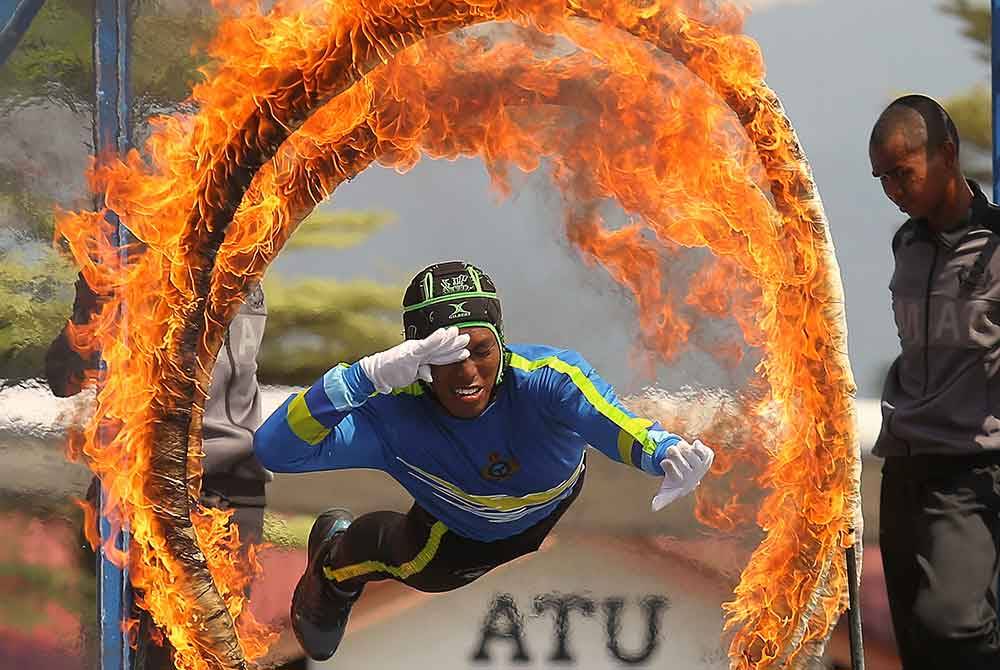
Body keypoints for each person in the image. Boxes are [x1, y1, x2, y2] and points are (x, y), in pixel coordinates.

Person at [253, 260, 716, 661]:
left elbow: (611, 420)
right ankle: (333, 567)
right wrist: (361, 377)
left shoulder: (548, 380)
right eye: (446, 357)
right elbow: (276, 450)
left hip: (549, 503)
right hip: (456, 532)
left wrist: (664, 451)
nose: (467, 373)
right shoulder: (389, 414)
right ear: (414, 359)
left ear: (502, 343)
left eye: (480, 350)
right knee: (418, 567)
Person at [46, 272, 270, 668]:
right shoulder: (218, 252)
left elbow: (67, 376)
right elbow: (64, 378)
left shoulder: (178, 257)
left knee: (191, 651)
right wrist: (89, 308)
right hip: (155, 484)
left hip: (205, 489)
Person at [870, 94, 1000, 669]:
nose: (893, 189)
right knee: (917, 642)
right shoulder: (906, 243)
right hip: (903, 464)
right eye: (883, 178)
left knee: (953, 625)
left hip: (971, 469)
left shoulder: (996, 245)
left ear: (947, 154)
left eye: (903, 172)